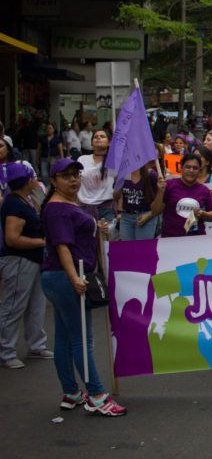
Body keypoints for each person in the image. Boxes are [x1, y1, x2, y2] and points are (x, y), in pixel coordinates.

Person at [40, 158, 126, 416]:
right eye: (66, 176)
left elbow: (74, 238)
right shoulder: (57, 209)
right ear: (54, 181)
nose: (73, 180)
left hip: (62, 277)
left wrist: (96, 230)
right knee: (81, 339)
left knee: (66, 338)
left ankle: (71, 391)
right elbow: (61, 246)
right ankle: (97, 395)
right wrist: (74, 279)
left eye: (76, 175)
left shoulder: (67, 205)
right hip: (66, 277)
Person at [0, 162, 51, 369]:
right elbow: (12, 239)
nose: (36, 180)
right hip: (18, 260)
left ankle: (36, 345)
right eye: (33, 177)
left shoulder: (26, 199)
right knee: (13, 306)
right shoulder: (13, 204)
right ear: (27, 180)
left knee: (36, 305)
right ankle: (6, 351)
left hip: (33, 260)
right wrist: (43, 242)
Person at [148, 154, 212, 238]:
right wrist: (160, 192)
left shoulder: (204, 190)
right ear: (181, 168)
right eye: (188, 167)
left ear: (199, 170)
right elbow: (155, 211)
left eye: (195, 168)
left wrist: (203, 214)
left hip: (197, 239)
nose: (191, 170)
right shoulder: (169, 185)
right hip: (171, 238)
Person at [77, 130, 116, 223]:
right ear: (91, 143)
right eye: (96, 137)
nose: (99, 138)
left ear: (109, 142)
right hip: (83, 208)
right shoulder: (82, 159)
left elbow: (122, 185)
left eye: (102, 136)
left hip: (106, 209)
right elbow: (76, 182)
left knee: (107, 237)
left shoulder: (114, 161)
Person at [115, 163, 160, 241]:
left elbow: (160, 200)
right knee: (128, 250)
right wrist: (118, 184)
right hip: (126, 218)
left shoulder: (151, 175)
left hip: (145, 217)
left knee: (142, 250)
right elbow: (116, 197)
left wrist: (149, 215)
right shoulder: (123, 173)